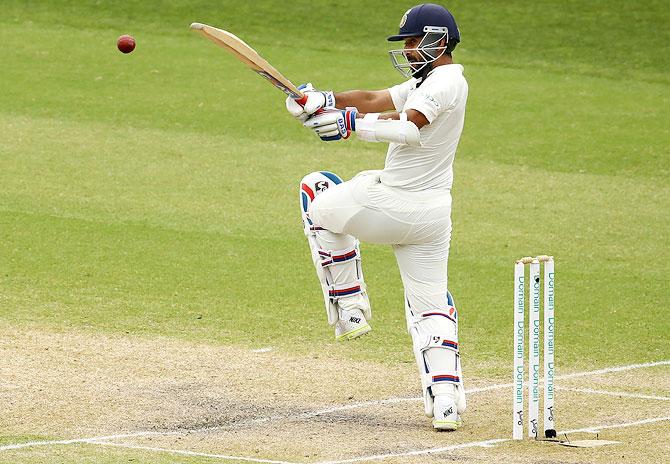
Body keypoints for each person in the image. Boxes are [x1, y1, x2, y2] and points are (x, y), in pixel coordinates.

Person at [286, 3, 468, 431]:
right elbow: (374, 99)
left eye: (411, 41)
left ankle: (349, 307)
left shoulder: (443, 83)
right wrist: (323, 100)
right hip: (432, 215)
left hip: (391, 203)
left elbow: (408, 128)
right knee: (429, 302)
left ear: (437, 40)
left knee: (318, 192)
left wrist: (349, 124)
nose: (406, 49)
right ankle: (445, 401)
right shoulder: (435, 81)